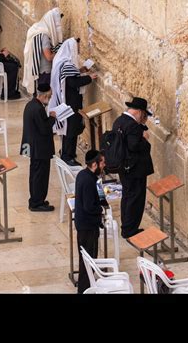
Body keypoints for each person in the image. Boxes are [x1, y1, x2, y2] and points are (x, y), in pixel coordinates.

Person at [49, 37, 96, 166]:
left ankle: (66, 152)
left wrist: (81, 70)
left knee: (69, 129)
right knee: (71, 130)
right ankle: (67, 156)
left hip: (68, 101)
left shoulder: (63, 62)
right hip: (71, 103)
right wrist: (89, 78)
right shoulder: (67, 64)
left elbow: (70, 76)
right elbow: (73, 82)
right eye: (77, 47)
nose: (79, 49)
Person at [112, 97, 154, 239]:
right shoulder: (133, 126)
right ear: (139, 112)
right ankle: (130, 229)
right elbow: (134, 146)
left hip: (125, 167)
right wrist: (145, 139)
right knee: (135, 199)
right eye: (144, 115)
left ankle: (127, 226)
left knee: (128, 196)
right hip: (134, 170)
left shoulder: (119, 121)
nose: (145, 118)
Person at [20, 84, 56, 212]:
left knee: (36, 174)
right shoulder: (38, 109)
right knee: (40, 175)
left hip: (33, 146)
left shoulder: (31, 104)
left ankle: (37, 199)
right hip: (39, 148)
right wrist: (52, 118)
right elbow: (44, 128)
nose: (50, 98)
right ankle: (36, 203)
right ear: (45, 95)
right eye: (50, 96)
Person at [75, 149, 106, 294]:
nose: (104, 165)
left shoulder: (84, 175)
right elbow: (89, 206)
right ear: (94, 164)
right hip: (87, 226)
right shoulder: (88, 180)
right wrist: (100, 209)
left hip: (85, 225)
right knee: (88, 261)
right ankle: (85, 290)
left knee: (87, 259)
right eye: (102, 163)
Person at [22, 8, 63, 93]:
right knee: (44, 94)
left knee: (39, 92)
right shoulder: (44, 36)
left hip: (36, 68)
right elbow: (48, 57)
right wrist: (60, 51)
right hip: (45, 70)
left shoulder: (36, 28)